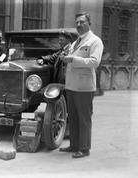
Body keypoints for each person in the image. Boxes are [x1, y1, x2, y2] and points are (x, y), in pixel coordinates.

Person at [59, 12, 104, 158]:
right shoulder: (76, 42)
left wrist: (73, 59)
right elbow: (72, 57)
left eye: (82, 22)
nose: (78, 25)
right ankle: (74, 145)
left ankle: (84, 148)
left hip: (84, 87)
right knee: (72, 117)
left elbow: (95, 62)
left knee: (84, 118)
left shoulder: (95, 41)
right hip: (72, 85)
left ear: (89, 23)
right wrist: (65, 57)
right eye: (77, 22)